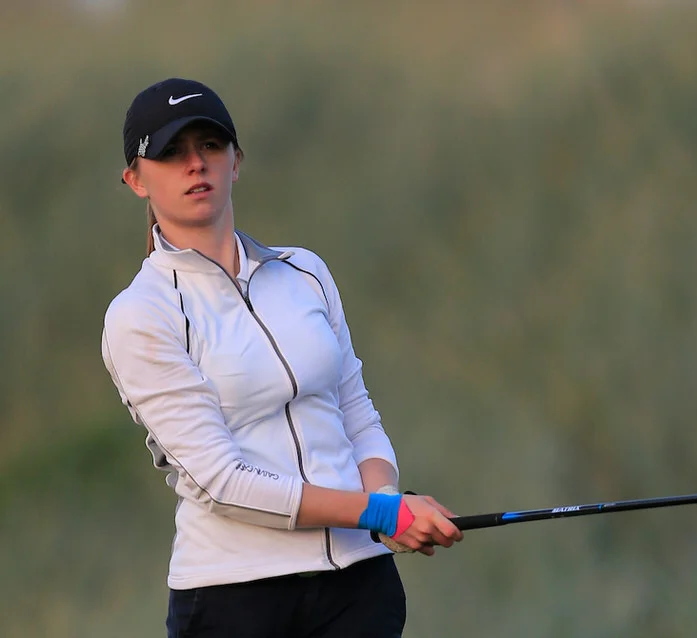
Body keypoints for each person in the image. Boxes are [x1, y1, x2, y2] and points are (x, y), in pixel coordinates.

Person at [101, 77, 463, 638]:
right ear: (135, 180)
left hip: (360, 587)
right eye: (171, 152)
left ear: (236, 161)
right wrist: (377, 514)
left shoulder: (305, 272)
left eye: (210, 145)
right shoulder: (141, 314)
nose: (195, 164)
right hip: (233, 600)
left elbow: (357, 416)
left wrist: (387, 501)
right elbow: (221, 481)